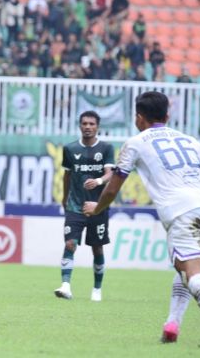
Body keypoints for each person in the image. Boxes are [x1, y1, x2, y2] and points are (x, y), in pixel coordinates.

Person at [83, 91, 200, 348]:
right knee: (184, 268)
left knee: (192, 274)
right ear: (167, 115)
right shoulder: (188, 139)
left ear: (139, 117)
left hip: (182, 210)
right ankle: (172, 324)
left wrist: (97, 208)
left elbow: (113, 188)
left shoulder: (136, 142)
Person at [54, 111, 114, 302]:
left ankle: (97, 289)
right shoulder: (70, 149)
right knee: (70, 243)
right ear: (80, 126)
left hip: (99, 206)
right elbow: (67, 175)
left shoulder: (106, 148)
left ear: (98, 127)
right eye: (84, 123)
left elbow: (110, 174)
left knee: (97, 248)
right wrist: (64, 199)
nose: (88, 127)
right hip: (75, 205)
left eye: (91, 124)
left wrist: (97, 181)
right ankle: (65, 285)